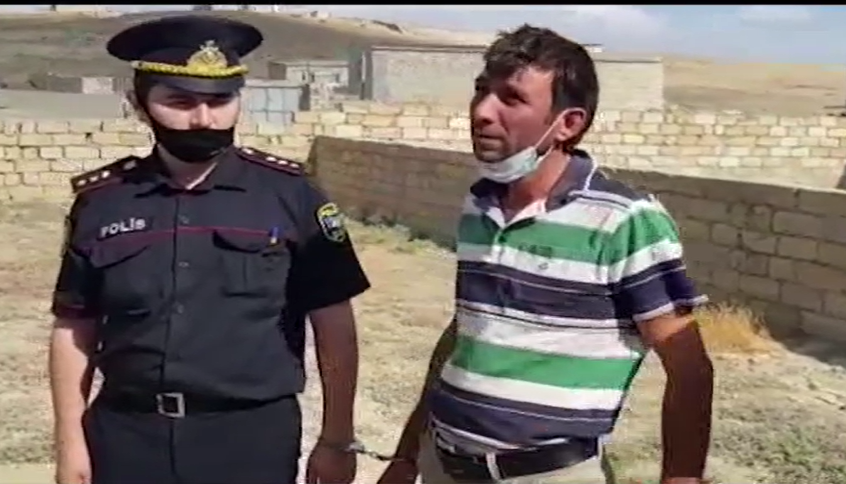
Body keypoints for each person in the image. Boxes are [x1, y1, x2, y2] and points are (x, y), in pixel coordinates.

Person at [378, 24, 715, 484]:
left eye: (511, 99)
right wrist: (407, 455)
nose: (482, 112)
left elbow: (689, 368)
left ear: (568, 124)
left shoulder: (624, 221)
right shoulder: (478, 206)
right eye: (481, 91)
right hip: (444, 466)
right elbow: (467, 333)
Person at [47, 15, 370, 484]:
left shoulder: (291, 195)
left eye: (220, 101)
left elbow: (334, 324)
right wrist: (69, 442)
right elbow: (74, 326)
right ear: (138, 104)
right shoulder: (103, 202)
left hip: (249, 438)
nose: (203, 119)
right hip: (127, 435)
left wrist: (337, 438)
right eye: (180, 102)